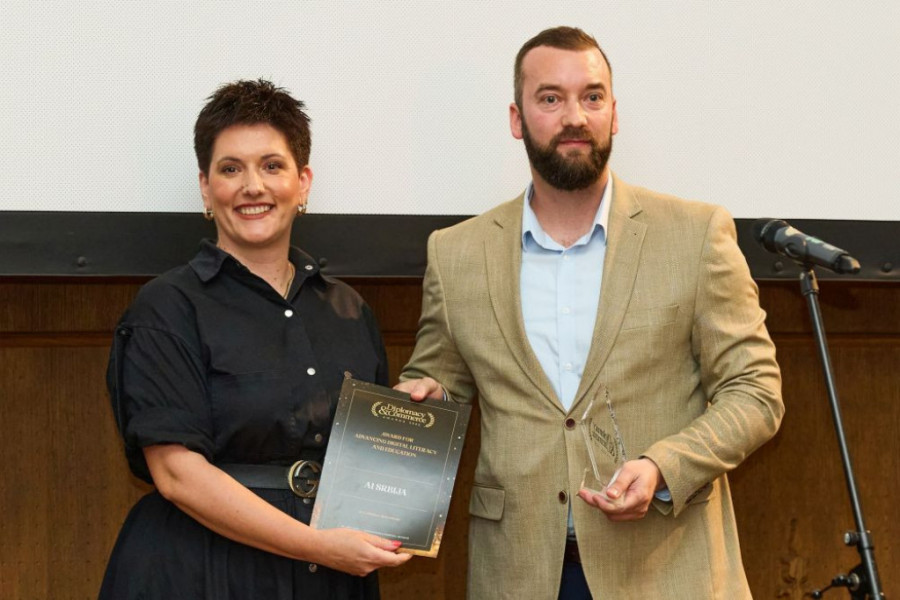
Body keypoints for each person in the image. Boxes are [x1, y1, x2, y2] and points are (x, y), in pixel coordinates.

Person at [397, 27, 783, 599]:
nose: (575, 116)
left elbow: (755, 392)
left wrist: (663, 466)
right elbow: (439, 386)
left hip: (665, 572)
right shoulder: (456, 254)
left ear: (614, 113)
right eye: (550, 98)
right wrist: (417, 404)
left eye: (592, 97)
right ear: (517, 118)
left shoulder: (696, 234)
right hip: (519, 574)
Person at [100, 79, 410, 600]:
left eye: (271, 166)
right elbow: (176, 474)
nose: (252, 186)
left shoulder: (350, 310)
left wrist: (417, 410)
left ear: (303, 182)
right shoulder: (167, 307)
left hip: (330, 578)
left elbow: (370, 463)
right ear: (205, 187)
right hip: (201, 574)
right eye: (230, 169)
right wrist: (318, 547)